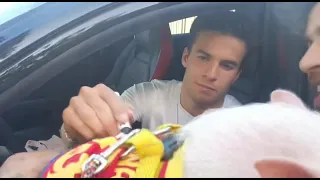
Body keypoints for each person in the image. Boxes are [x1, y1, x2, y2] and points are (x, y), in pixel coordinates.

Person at [60, 12, 251, 146]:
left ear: (237, 75)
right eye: (203, 58)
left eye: (226, 66)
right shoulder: (150, 93)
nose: (211, 74)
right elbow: (104, 118)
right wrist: (79, 125)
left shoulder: (243, 125)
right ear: (186, 58)